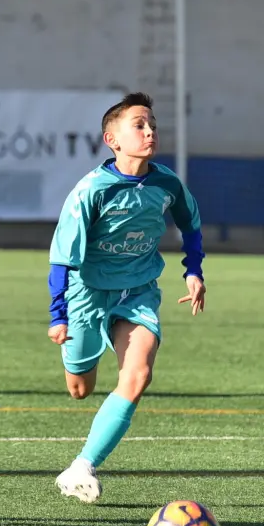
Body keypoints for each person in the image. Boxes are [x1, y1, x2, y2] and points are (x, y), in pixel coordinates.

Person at [46, 91, 206, 503]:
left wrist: (194, 271)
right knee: (80, 389)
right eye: (139, 125)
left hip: (138, 292)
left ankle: (81, 466)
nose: (150, 131)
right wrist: (58, 314)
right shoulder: (91, 190)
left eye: (152, 124)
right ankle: (82, 354)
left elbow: (190, 223)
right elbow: (61, 257)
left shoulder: (166, 183)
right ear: (112, 139)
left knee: (138, 377)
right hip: (87, 294)